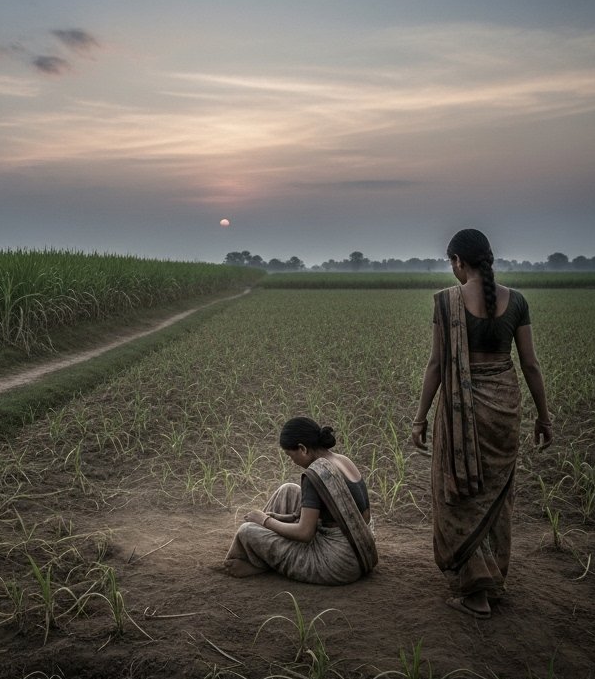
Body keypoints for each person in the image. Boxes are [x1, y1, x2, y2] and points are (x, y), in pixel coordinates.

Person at [412, 228, 552, 619]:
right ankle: (492, 580)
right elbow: (530, 365)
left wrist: (420, 418)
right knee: (495, 496)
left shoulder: (446, 302)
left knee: (460, 492)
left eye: (451, 262)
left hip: (462, 410)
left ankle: (475, 592)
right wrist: (544, 417)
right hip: (504, 410)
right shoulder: (517, 301)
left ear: (458, 261)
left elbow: (437, 365)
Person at [223, 417, 378, 585]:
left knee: (247, 530)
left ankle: (252, 559)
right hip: (363, 552)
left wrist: (265, 521)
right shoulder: (342, 460)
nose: (293, 461)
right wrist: (286, 518)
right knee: (288, 490)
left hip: (337, 563)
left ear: (303, 449)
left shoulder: (315, 475)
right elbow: (339, 513)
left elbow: (304, 534)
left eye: (291, 456)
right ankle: (260, 556)